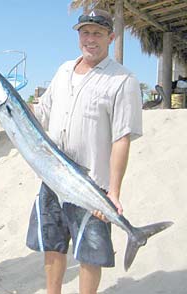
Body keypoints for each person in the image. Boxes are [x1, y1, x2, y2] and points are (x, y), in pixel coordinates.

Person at [26, 9, 142, 294]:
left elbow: (122, 139)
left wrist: (112, 192)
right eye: (85, 32)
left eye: (98, 33)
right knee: (53, 245)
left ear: (111, 37)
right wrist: (7, 105)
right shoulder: (63, 70)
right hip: (52, 178)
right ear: (78, 35)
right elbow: (42, 114)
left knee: (90, 253)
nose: (90, 39)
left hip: (92, 184)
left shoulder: (123, 80)